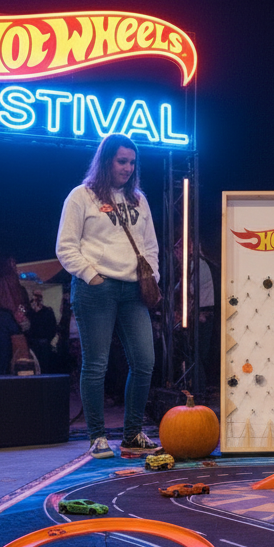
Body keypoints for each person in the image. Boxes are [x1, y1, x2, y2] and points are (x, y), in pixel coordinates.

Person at [56, 134, 162, 459]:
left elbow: (150, 246)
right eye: (121, 161)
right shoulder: (81, 196)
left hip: (133, 290)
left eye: (132, 162)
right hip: (96, 289)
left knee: (145, 362)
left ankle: (132, 435)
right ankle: (97, 437)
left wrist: (152, 277)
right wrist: (92, 276)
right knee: (96, 364)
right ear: (106, 161)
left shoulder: (139, 200)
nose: (128, 168)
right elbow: (65, 246)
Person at [0, 258, 31, 374]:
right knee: (4, 362)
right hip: (5, 321)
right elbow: (14, 302)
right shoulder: (10, 278)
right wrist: (21, 318)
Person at [27, 290, 57, 374]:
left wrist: (47, 338)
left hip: (43, 342)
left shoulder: (47, 311)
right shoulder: (30, 312)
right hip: (33, 342)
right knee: (34, 365)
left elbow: (53, 327)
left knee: (44, 366)